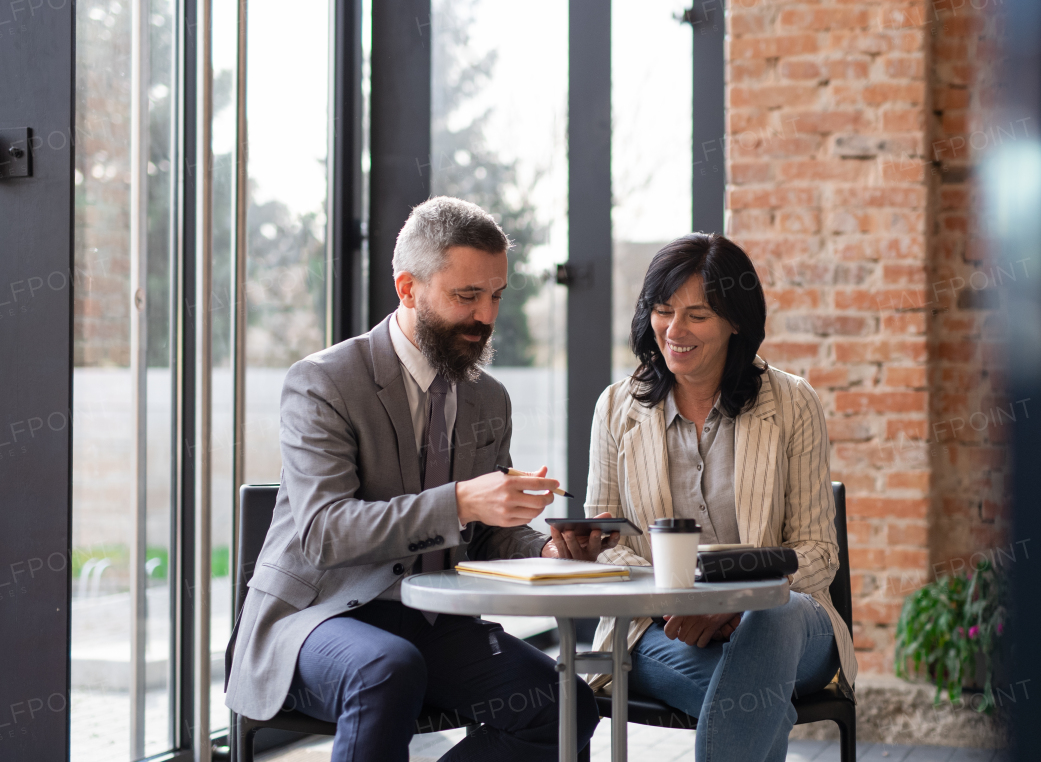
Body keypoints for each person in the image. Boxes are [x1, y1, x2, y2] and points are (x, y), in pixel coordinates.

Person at [224, 196, 616, 762]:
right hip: (317, 618)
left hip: (431, 621)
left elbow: (483, 538)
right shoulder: (322, 382)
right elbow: (325, 533)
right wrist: (460, 500)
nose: (486, 316)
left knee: (562, 705)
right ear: (407, 288)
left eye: (496, 295)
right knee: (387, 670)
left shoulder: (487, 397)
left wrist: (550, 548)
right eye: (467, 296)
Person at [585, 233, 857, 762]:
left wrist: (735, 603)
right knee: (756, 699)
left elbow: (819, 553)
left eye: (697, 315)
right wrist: (685, 600)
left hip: (791, 627)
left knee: (771, 619)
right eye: (663, 311)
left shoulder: (793, 402)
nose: (675, 331)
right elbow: (606, 542)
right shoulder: (616, 407)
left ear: (736, 320)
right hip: (660, 626)